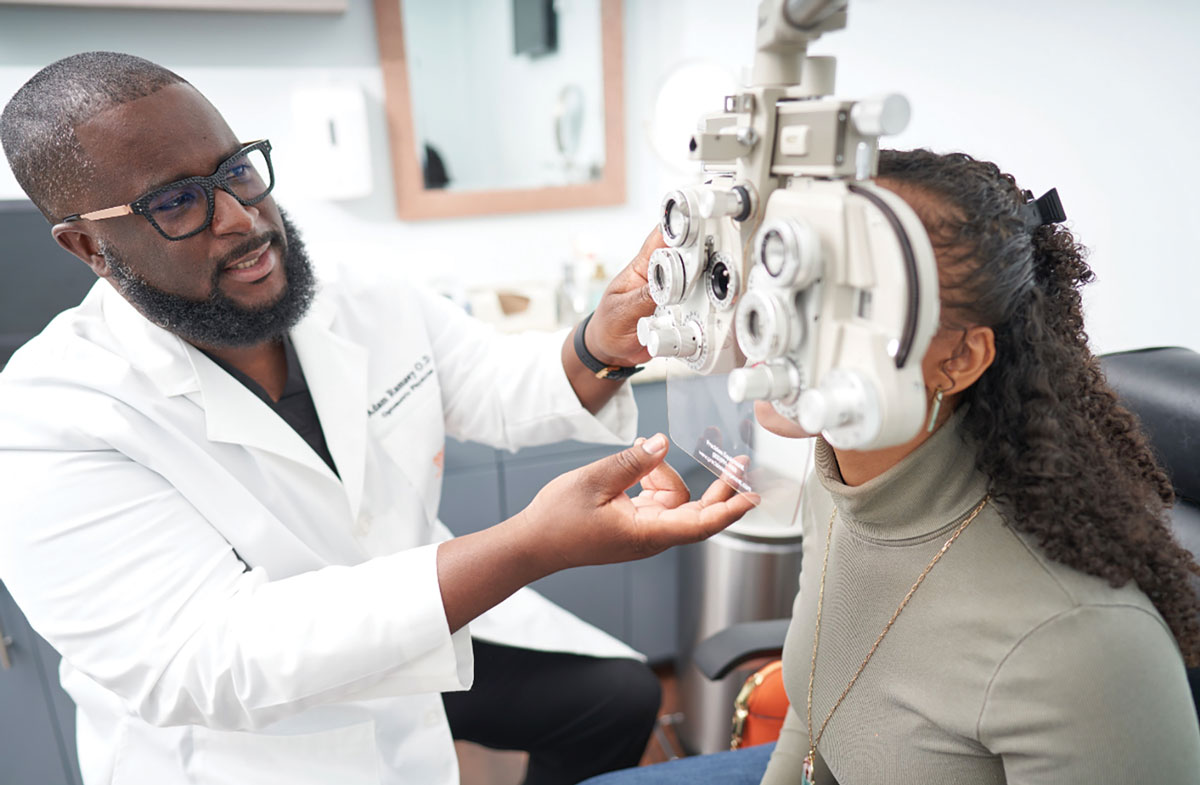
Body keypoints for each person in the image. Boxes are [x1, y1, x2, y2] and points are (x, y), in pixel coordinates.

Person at [0, 52, 757, 785]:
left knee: (615, 699)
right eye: (175, 202)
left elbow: (494, 385)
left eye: (236, 170)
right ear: (87, 244)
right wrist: (531, 546)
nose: (241, 218)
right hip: (249, 743)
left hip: (415, 622)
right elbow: (213, 657)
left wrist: (599, 342)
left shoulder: (353, 291)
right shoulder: (47, 419)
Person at [581, 149, 1200, 785]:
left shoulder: (1087, 648)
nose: (772, 322)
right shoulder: (844, 482)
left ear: (959, 357)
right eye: (790, 271)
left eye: (852, 299)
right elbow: (816, 712)